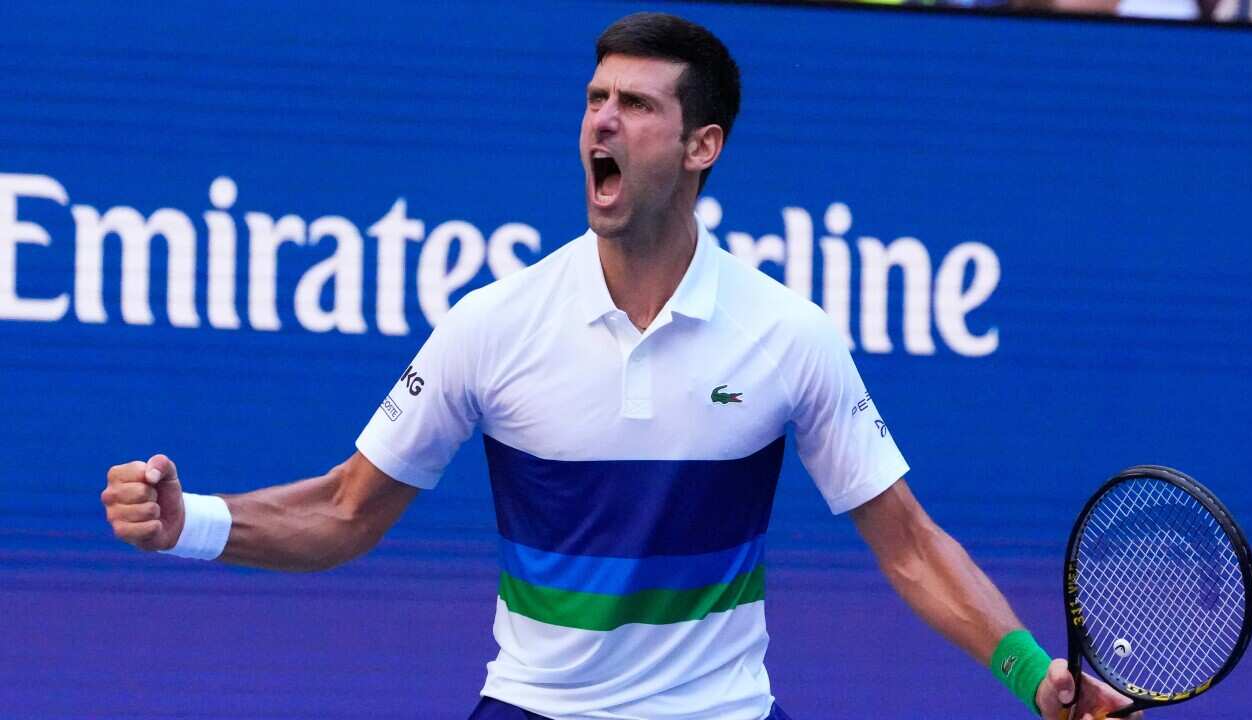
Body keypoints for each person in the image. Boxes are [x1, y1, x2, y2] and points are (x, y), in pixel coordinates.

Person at [101, 12, 1140, 720]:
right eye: (595, 99)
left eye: (636, 106)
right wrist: (189, 523)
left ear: (702, 146)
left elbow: (908, 544)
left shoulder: (788, 335)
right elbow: (345, 508)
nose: (601, 120)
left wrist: (1029, 675)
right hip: (534, 708)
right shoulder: (494, 322)